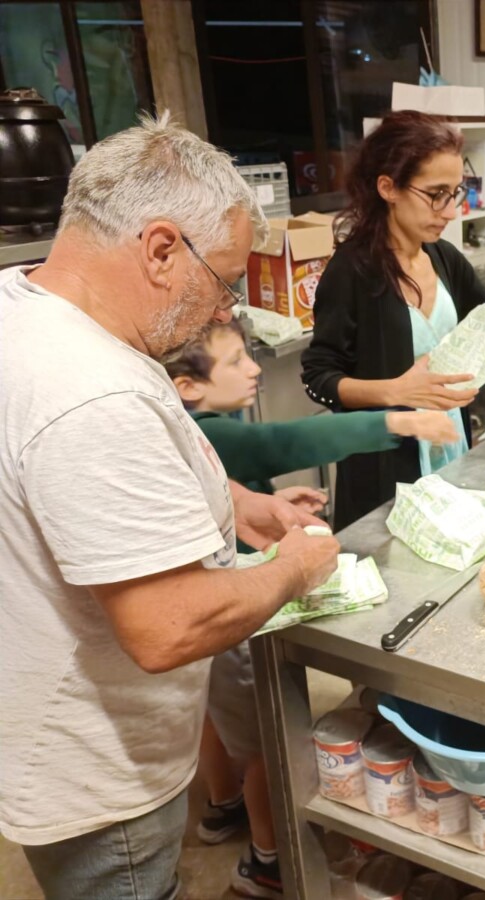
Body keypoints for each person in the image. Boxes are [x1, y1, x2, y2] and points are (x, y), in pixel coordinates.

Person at [0, 113, 341, 900]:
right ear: (160, 249)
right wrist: (293, 568)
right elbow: (167, 625)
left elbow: (91, 487)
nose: (223, 313)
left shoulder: (33, 309)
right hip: (96, 773)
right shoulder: (92, 391)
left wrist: (240, 507)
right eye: (223, 282)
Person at [162, 318, 457, 897]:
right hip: (236, 609)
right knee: (268, 749)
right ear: (187, 386)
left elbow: (227, 487)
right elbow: (284, 442)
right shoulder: (208, 432)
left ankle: (222, 810)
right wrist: (400, 419)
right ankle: (267, 863)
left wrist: (266, 501)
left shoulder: (177, 427)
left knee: (218, 720)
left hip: (208, 605)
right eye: (236, 363)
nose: (254, 370)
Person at [301, 110, 485, 531]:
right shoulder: (351, 272)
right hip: (384, 467)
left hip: (447, 447)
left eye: (456, 193)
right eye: (436, 194)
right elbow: (318, 377)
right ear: (388, 187)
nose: (450, 211)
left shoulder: (442, 258)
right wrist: (395, 390)